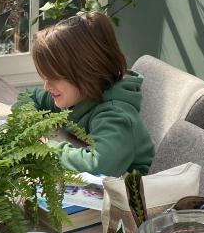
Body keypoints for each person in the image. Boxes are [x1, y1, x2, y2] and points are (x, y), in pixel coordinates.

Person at [17, 11, 154, 176]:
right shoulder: (76, 95)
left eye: (53, 77)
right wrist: (29, 127)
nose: (46, 86)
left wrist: (43, 146)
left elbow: (96, 165)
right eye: (45, 77)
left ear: (86, 72)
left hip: (127, 195)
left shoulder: (117, 115)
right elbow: (29, 98)